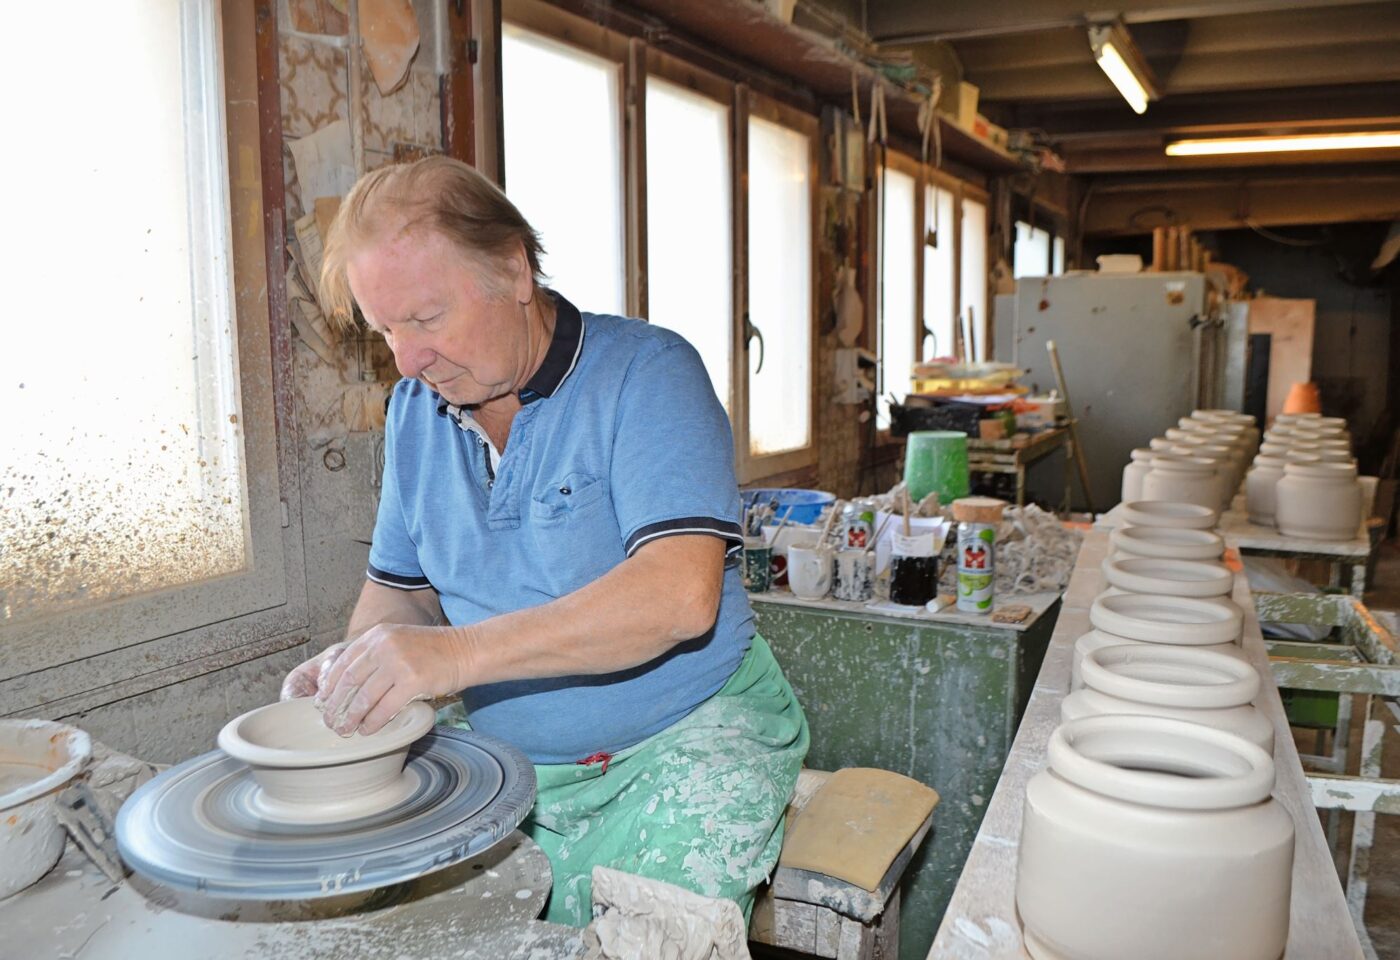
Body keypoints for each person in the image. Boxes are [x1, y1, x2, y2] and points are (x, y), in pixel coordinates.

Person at [279, 155, 809, 926]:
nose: (406, 359)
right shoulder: (413, 416)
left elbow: (677, 597)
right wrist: (359, 671)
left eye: (425, 319)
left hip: (690, 740)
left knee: (647, 937)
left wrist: (453, 658)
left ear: (513, 268)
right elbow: (402, 595)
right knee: (388, 922)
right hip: (511, 758)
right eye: (384, 329)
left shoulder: (648, 374)